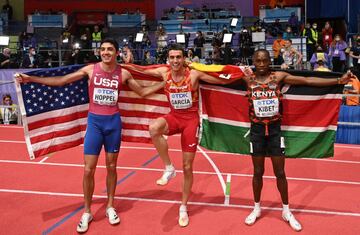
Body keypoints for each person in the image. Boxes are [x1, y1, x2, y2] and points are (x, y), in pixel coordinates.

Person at [16, 38, 166, 233]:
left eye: (110, 49)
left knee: (112, 166)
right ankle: (87, 211)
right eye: (103, 49)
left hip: (113, 124)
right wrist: (31, 79)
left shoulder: (124, 73)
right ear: (99, 52)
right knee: (88, 170)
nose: (106, 52)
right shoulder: (90, 70)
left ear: (116, 52)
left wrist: (164, 83)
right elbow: (62, 81)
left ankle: (110, 206)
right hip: (95, 124)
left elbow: (143, 93)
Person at [122, 43, 236, 227]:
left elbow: (221, 80)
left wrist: (241, 75)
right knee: (154, 128)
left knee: (187, 167)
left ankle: (183, 207)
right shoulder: (163, 73)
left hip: (191, 121)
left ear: (184, 58)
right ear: (168, 58)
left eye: (178, 57)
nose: (175, 61)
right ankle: (168, 168)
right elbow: (141, 70)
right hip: (174, 117)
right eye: (172, 57)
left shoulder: (194, 75)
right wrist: (125, 64)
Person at [242, 49, 353, 231]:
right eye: (258, 61)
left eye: (265, 61)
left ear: (270, 61)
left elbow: (308, 81)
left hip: (275, 132)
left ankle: (286, 210)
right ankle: (256, 208)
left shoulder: (278, 77)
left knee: (280, 173)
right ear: (253, 61)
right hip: (257, 132)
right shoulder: (247, 79)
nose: (261, 64)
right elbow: (218, 76)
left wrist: (339, 80)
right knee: (258, 171)